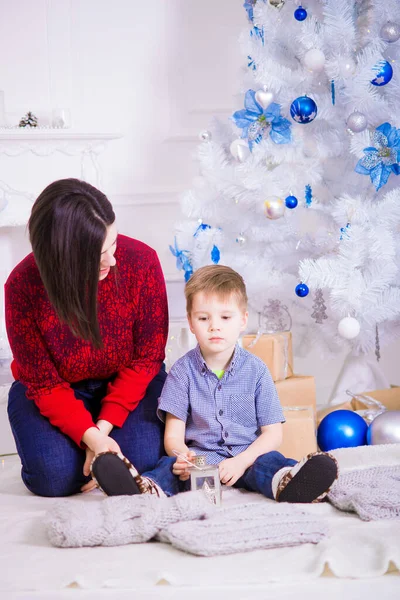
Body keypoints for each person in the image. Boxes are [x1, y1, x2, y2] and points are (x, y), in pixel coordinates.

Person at [91, 264, 338, 503]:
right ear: (190, 322)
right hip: (201, 462)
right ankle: (147, 489)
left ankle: (288, 482)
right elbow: (173, 438)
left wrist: (241, 461)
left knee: (270, 460)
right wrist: (184, 457)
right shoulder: (181, 372)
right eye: (203, 318)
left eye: (225, 317)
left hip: (247, 457)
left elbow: (272, 434)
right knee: (169, 467)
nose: (214, 326)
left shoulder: (257, 370)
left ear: (243, 320)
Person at [5, 178, 169, 498]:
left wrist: (103, 432)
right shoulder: (22, 287)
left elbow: (147, 357)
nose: (113, 261)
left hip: (128, 381)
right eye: (99, 254)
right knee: (53, 479)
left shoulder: (142, 262)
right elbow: (43, 382)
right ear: (62, 259)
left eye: (114, 245)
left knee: (145, 460)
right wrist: (92, 440)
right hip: (55, 389)